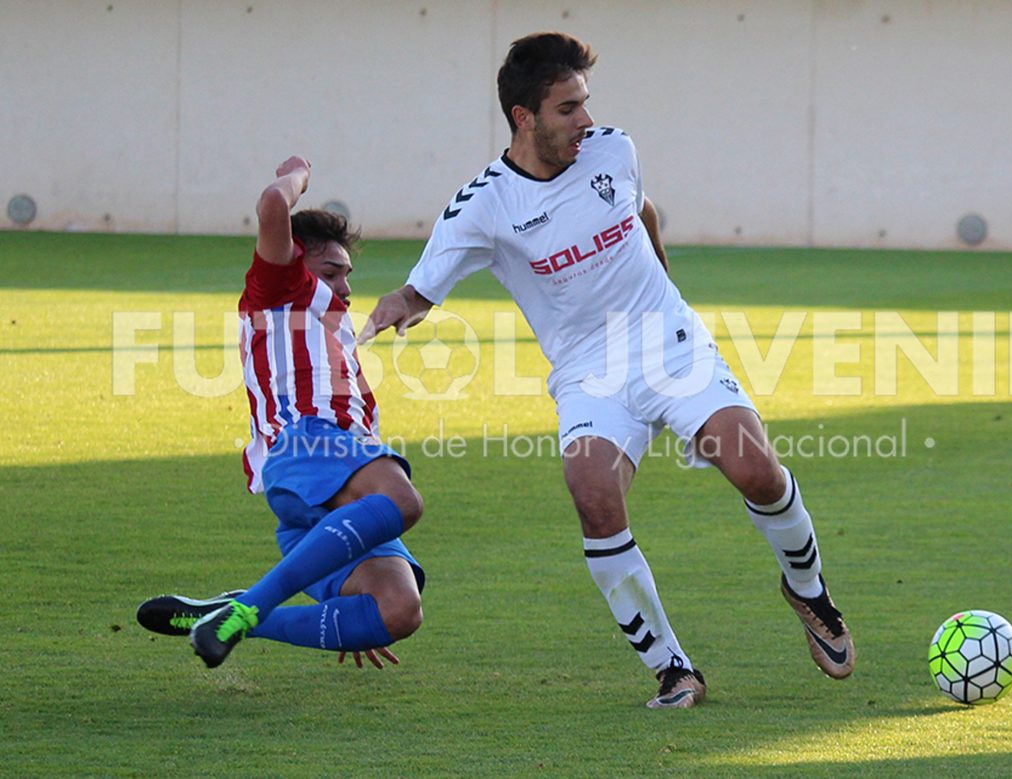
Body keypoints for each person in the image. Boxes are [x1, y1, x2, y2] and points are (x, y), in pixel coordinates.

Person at [361, 32, 853, 708]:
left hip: (669, 342)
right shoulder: (482, 205)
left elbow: (639, 207)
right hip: (589, 368)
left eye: (586, 104)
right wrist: (396, 307)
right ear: (523, 117)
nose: (585, 121)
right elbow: (421, 290)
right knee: (591, 491)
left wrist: (660, 265)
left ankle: (808, 590)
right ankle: (673, 668)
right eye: (568, 109)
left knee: (756, 469)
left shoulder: (614, 150)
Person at [137, 156, 425, 670]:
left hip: (323, 497)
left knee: (397, 611)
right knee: (401, 499)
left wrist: (343, 623)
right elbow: (273, 205)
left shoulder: (332, 331)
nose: (346, 286)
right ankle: (250, 607)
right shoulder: (281, 290)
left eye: (348, 275)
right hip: (308, 447)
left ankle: (228, 612)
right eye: (331, 271)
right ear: (296, 261)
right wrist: (299, 174)